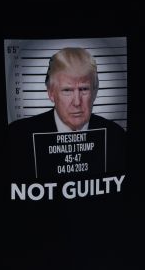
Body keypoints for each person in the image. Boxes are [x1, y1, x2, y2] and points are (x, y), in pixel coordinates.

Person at [7, 47, 127, 180]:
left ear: (95, 92)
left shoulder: (116, 136)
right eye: (67, 90)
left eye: (84, 89)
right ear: (51, 93)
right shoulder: (18, 136)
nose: (77, 102)